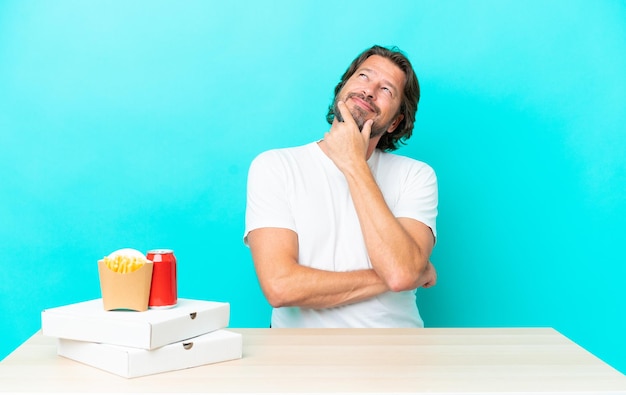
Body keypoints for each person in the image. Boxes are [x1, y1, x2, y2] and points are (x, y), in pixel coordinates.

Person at [244, 45, 438, 328]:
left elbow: (399, 275)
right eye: (363, 76)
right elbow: (280, 287)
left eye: (386, 90)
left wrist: (354, 164)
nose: (369, 90)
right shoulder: (275, 166)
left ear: (396, 121)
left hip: (394, 352)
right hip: (299, 360)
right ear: (341, 90)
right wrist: (409, 273)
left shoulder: (416, 176)